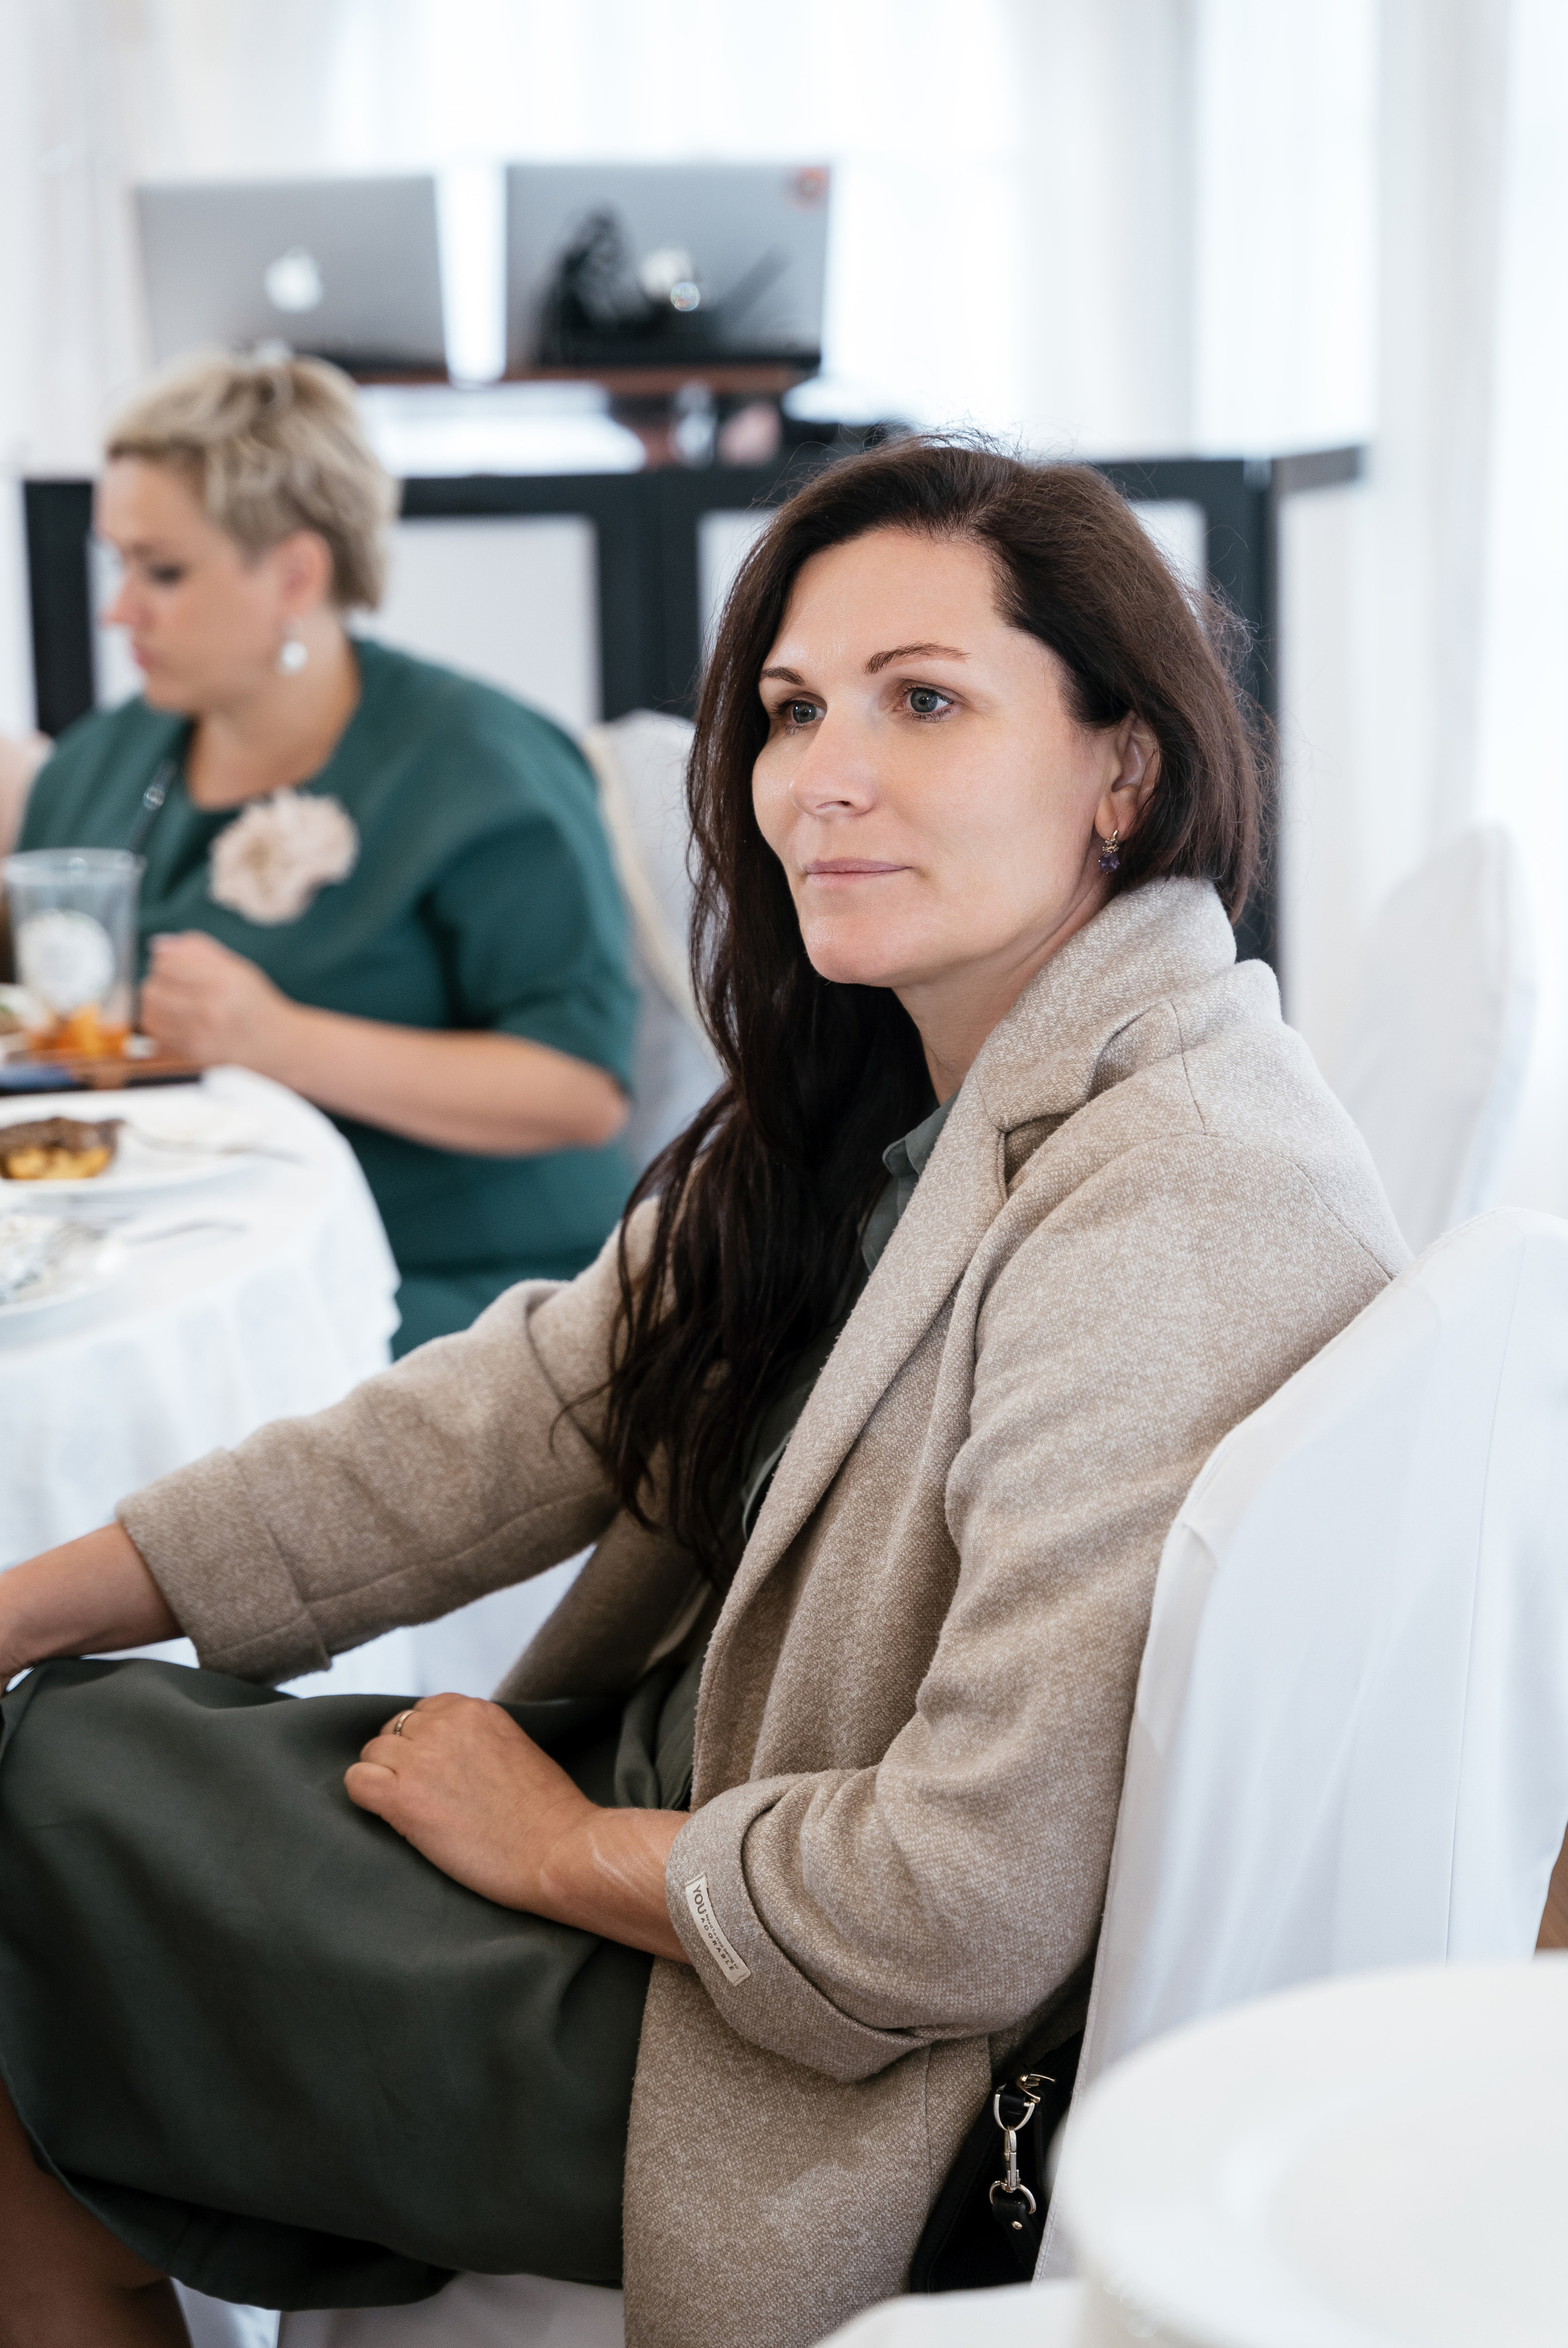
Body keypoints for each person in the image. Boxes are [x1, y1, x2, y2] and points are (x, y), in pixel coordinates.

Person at [0, 439, 1409, 2348]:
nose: (824, 776)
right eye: (794, 708)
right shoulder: (899, 1093)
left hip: (800, 2065)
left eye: (926, 702)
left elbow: (962, 1905)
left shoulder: (1181, 1193)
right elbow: (508, 1421)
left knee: (32, 1857)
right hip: (701, 1885)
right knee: (52, 1755)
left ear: (1122, 766)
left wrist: (555, 1844)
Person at [12, 354, 638, 1354]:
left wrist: (281, 1040)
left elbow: (581, 1092)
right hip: (155, 1260)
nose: (117, 609)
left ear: (296, 574)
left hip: (456, 1290)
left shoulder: (481, 766)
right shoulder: (98, 762)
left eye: (160, 570)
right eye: (115, 563)